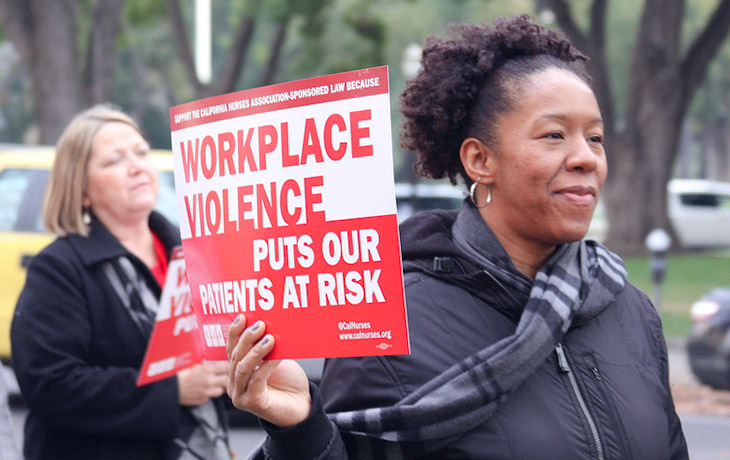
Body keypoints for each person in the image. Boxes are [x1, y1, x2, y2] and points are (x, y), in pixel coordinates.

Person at [226, 15, 689, 460]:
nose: (586, 158)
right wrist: (301, 431)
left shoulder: (630, 310)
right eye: (554, 135)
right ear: (479, 161)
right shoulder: (391, 326)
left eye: (595, 138)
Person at [11, 105, 232, 460]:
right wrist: (170, 390)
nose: (137, 166)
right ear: (81, 189)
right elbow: (50, 385)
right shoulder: (58, 268)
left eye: (141, 152)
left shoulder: (194, 251)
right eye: (114, 160)